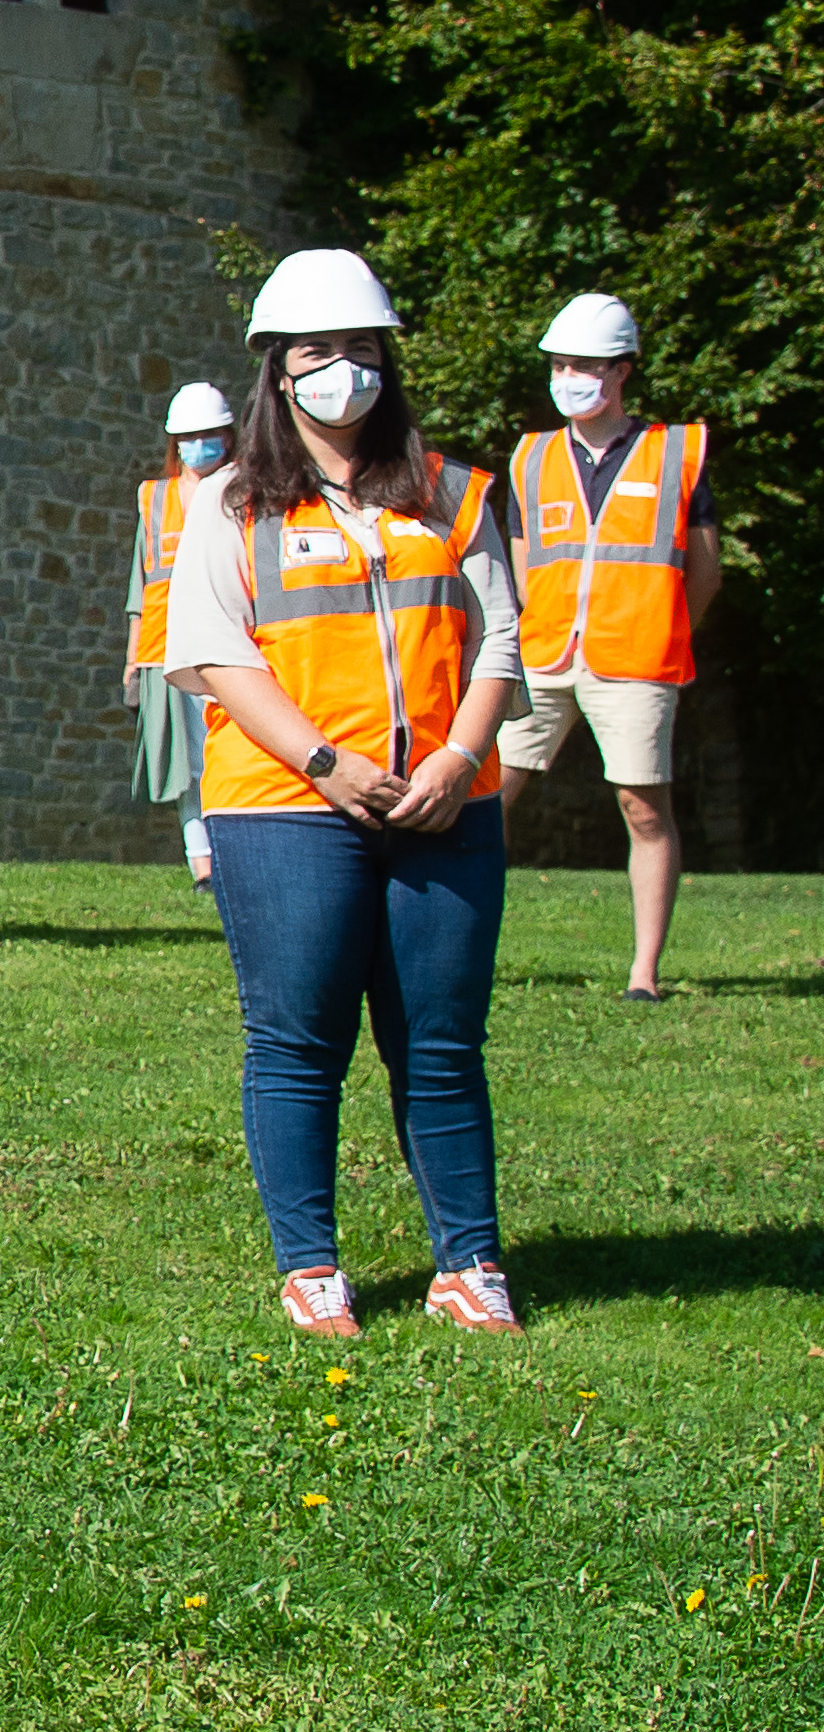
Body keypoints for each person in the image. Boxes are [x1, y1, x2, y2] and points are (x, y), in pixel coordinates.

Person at [167, 248, 525, 1339]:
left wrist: (455, 763)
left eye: (361, 351)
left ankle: (469, 1262)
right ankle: (310, 1266)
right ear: (277, 371)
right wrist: (329, 763)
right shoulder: (229, 499)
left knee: (440, 1040)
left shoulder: (455, 491)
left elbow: (501, 638)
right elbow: (213, 653)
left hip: (444, 806)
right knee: (296, 1039)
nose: (343, 373)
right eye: (317, 353)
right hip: (282, 805)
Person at [498, 294, 718, 1000]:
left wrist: (660, 626)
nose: (569, 377)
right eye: (560, 365)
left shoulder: (676, 451)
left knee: (643, 809)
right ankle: (454, 948)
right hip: (543, 653)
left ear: (621, 371)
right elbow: (521, 558)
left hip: (636, 657)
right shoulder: (530, 456)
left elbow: (704, 570)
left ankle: (643, 976)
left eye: (585, 365)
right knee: (482, 797)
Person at [124, 382, 238, 883]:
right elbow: (140, 585)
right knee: (185, 766)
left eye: (209, 433)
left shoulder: (246, 491)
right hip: (166, 648)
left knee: (230, 753)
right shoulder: (154, 498)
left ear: (228, 437)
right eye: (188, 436)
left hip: (233, 646)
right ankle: (203, 865)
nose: (198, 445)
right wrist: (132, 661)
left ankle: (235, 852)